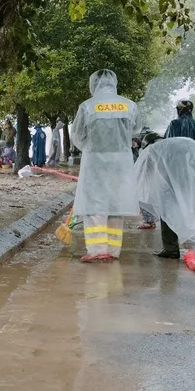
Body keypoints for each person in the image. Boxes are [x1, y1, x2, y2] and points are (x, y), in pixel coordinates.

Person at [70, 69, 142, 262]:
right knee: (116, 204)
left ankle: (97, 250)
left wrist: (91, 146)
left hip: (95, 162)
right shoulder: (129, 105)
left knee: (95, 204)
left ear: (94, 84)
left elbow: (77, 135)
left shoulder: (87, 106)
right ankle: (112, 250)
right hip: (121, 162)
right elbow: (136, 129)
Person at [132, 128, 158, 229]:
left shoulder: (147, 151)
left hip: (145, 180)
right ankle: (150, 220)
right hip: (152, 180)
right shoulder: (154, 149)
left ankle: (148, 221)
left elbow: (140, 168)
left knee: (143, 199)